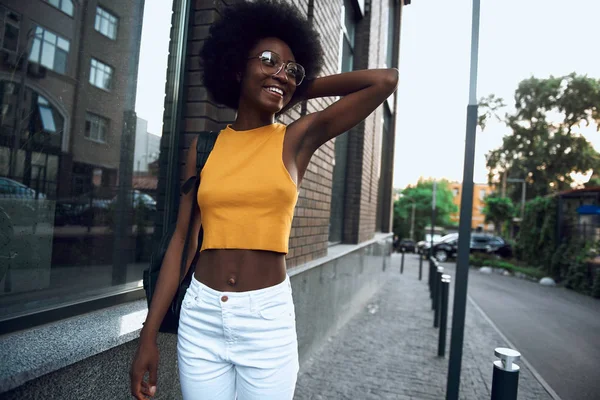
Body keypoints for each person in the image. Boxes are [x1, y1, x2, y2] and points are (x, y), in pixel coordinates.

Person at [130, 1, 398, 399]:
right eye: (269, 60)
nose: (281, 73)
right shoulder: (205, 147)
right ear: (237, 67)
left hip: (266, 321)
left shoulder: (295, 139)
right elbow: (180, 243)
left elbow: (384, 81)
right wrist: (148, 336)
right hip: (201, 315)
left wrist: (293, 88)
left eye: (292, 68)